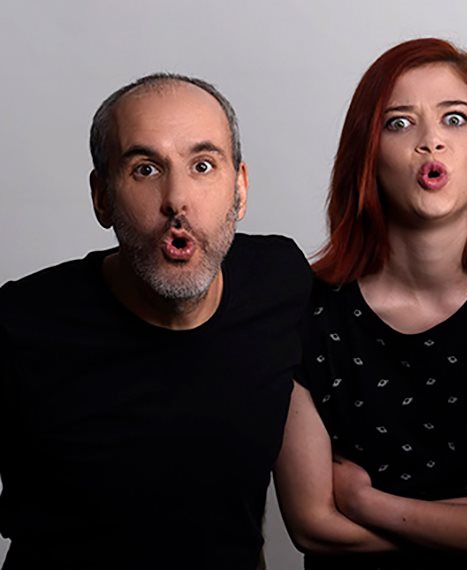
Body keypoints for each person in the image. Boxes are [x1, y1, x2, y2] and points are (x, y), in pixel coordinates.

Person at [274, 37, 467, 568]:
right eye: (399, 123)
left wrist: (366, 503)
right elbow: (314, 527)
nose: (431, 141)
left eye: (454, 119)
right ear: (368, 157)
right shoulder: (306, 312)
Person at [0, 73, 311, 569]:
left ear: (240, 188)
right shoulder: (20, 325)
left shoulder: (280, 282)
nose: (176, 200)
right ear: (102, 196)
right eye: (145, 169)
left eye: (203, 165)